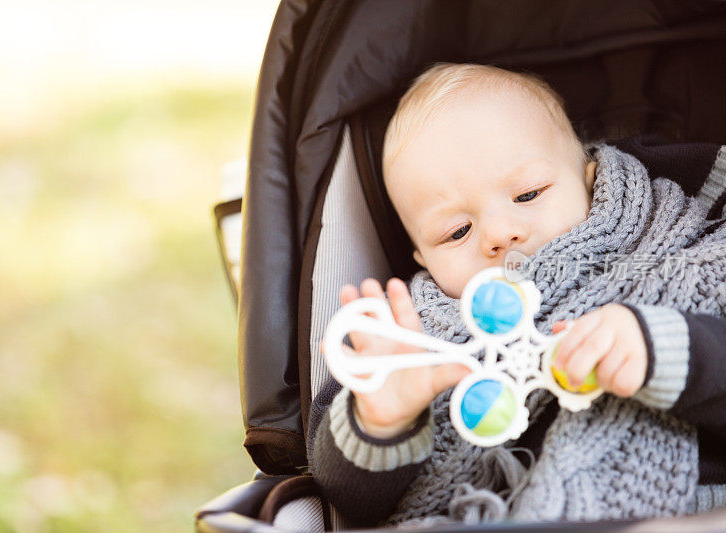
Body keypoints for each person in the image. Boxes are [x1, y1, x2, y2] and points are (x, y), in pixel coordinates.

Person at [308, 63, 726, 528]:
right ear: (422, 259)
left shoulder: (680, 255)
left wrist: (669, 349)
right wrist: (382, 420)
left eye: (527, 194)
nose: (499, 233)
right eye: (457, 231)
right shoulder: (417, 336)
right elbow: (351, 501)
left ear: (590, 179)